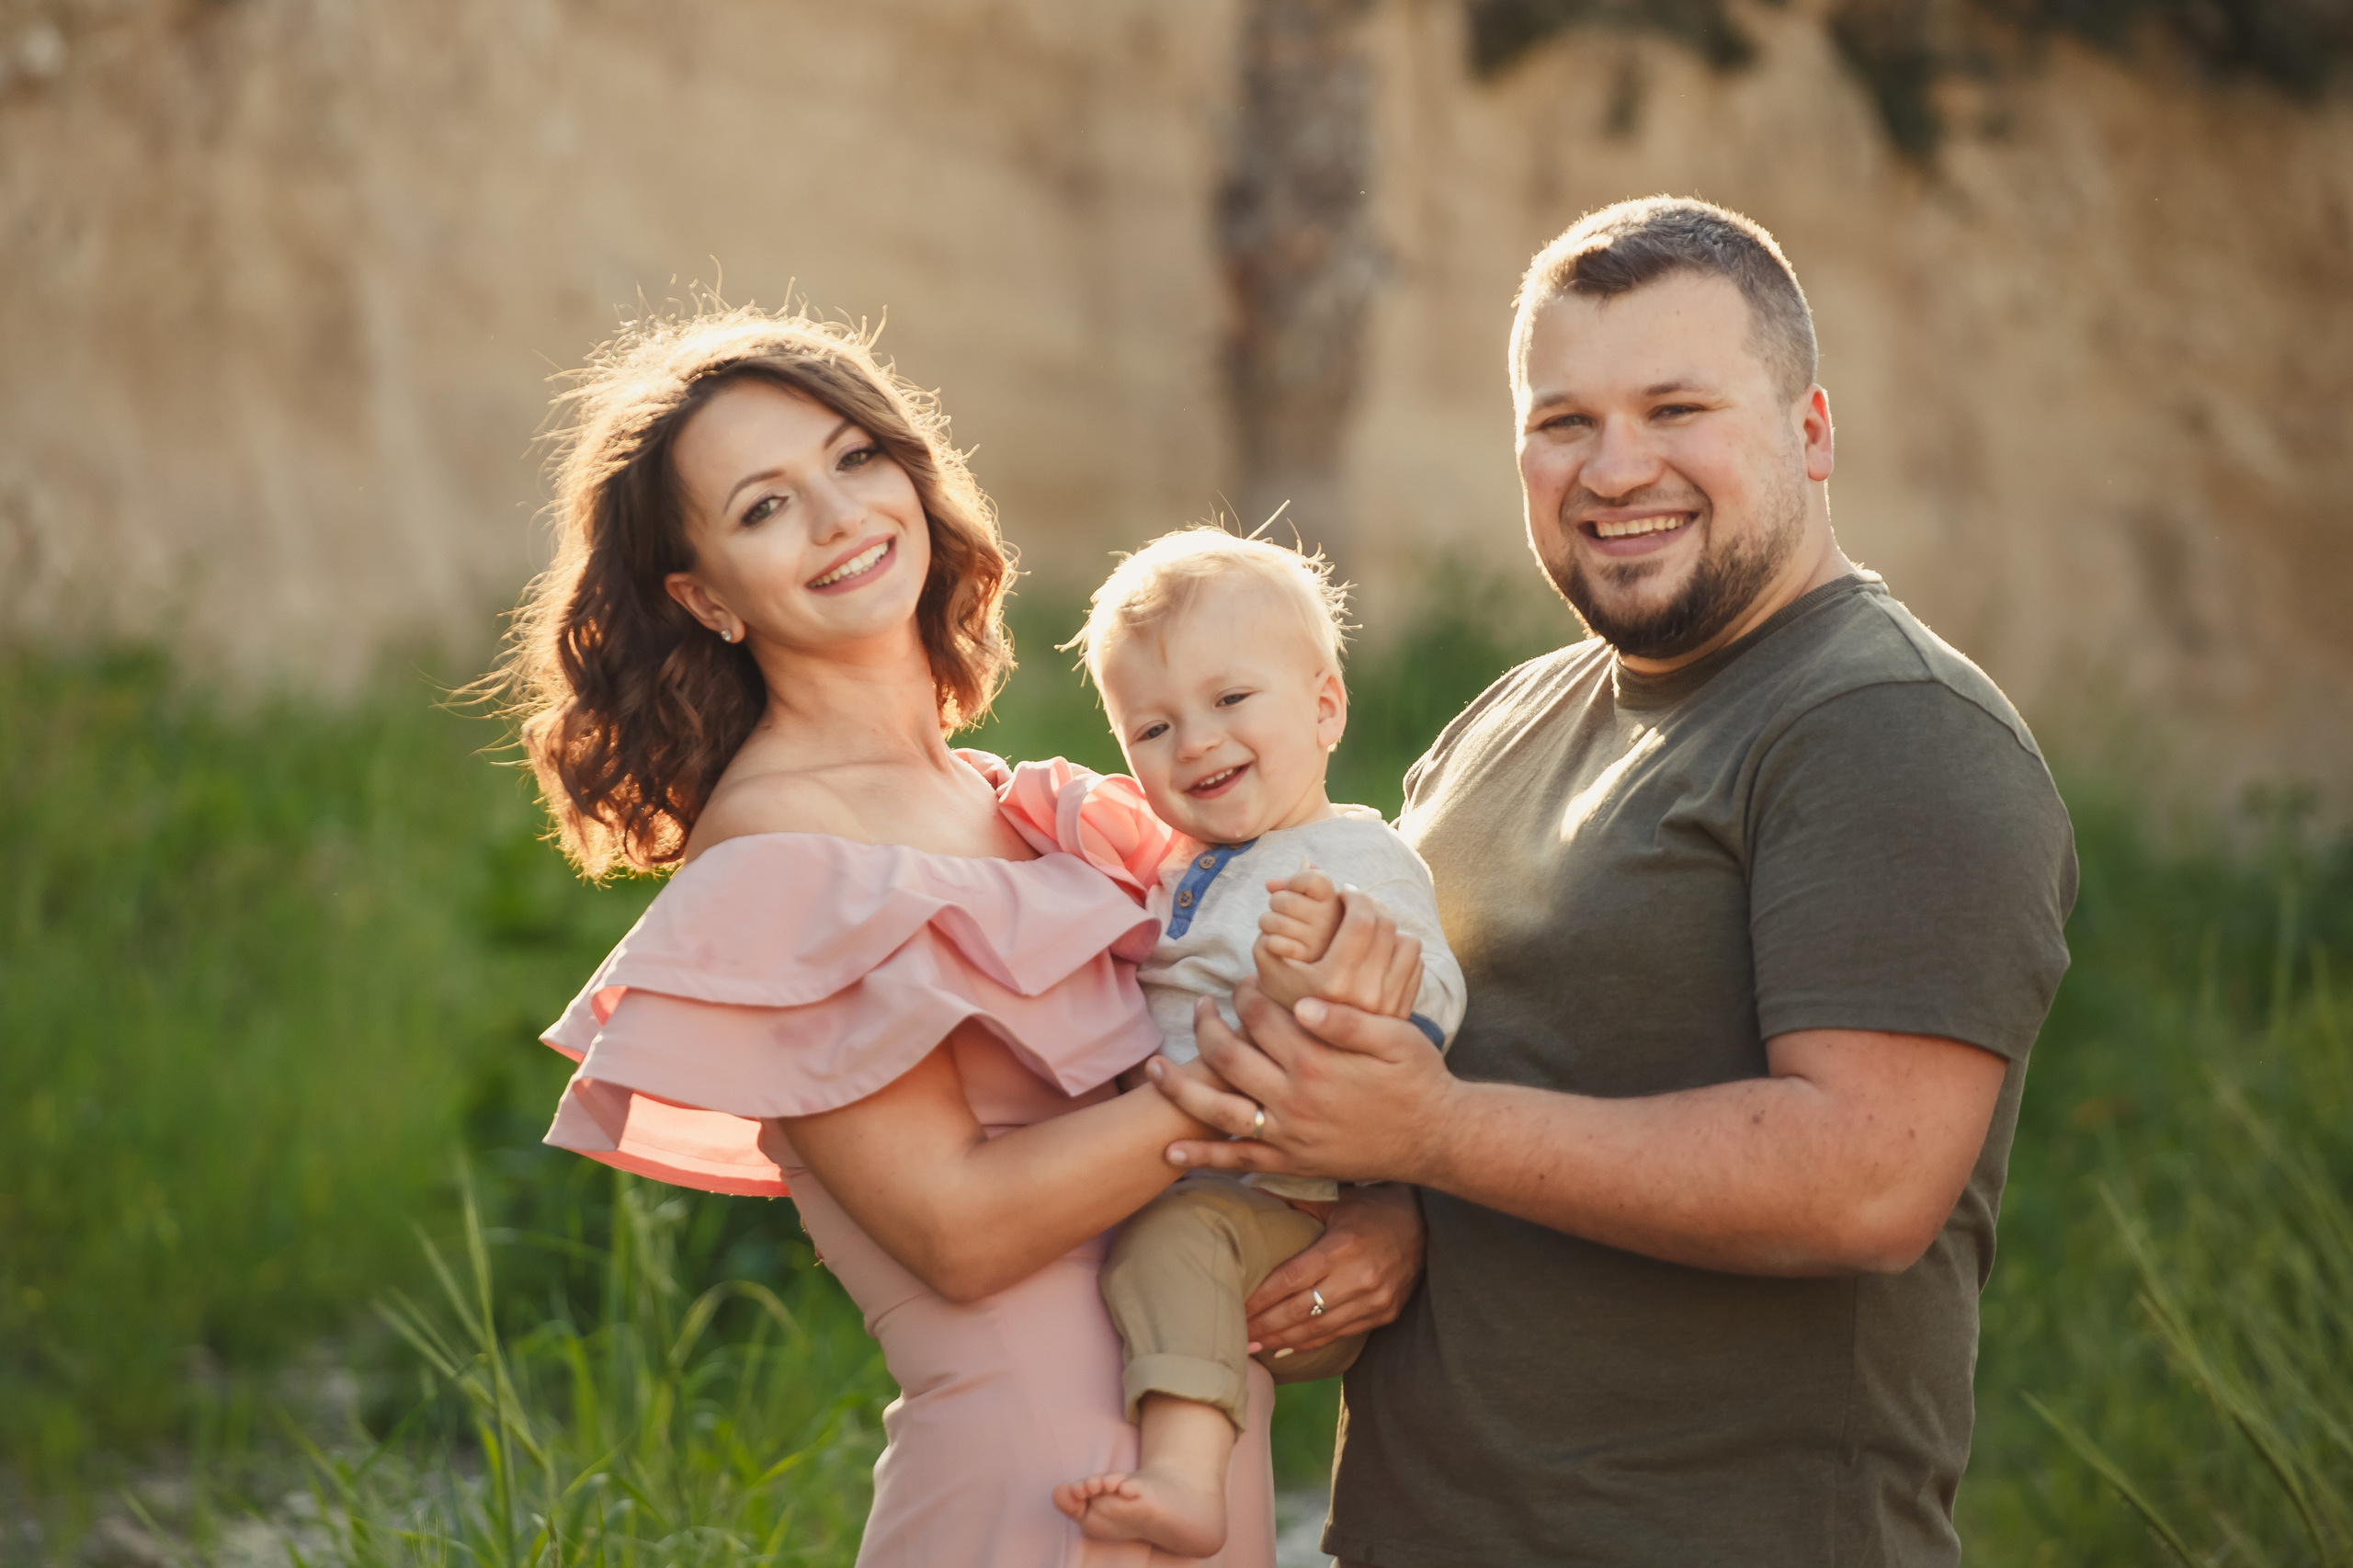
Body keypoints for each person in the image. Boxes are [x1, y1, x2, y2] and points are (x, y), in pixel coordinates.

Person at [1148, 197, 2080, 1566]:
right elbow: (1452, 1069)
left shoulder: (1888, 725)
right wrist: (1395, 1205)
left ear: (1813, 434)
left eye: (1675, 407)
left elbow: (1864, 1180)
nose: (1613, 466)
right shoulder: (1507, 716)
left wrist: (1430, 1140)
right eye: (1563, 421)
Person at [492, 307, 1425, 1566]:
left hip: (1202, 1485)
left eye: (856, 457)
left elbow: (1246, 1173)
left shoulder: (1035, 810)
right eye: (766, 506)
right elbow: (959, 1232)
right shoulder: (778, 852)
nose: (839, 517)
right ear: (704, 594)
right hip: (1030, 1504)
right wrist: (1248, 1072)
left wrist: (1382, 1212)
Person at [1007, 529, 1464, 1555]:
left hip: (1286, 1212)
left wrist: (1338, 980)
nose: (1195, 743)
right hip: (1191, 1182)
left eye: (1230, 700)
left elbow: (1430, 989)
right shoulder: (1181, 868)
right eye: (1153, 726)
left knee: (1170, 1245)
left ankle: (1183, 1480)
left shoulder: (1351, 859)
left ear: (1326, 706)